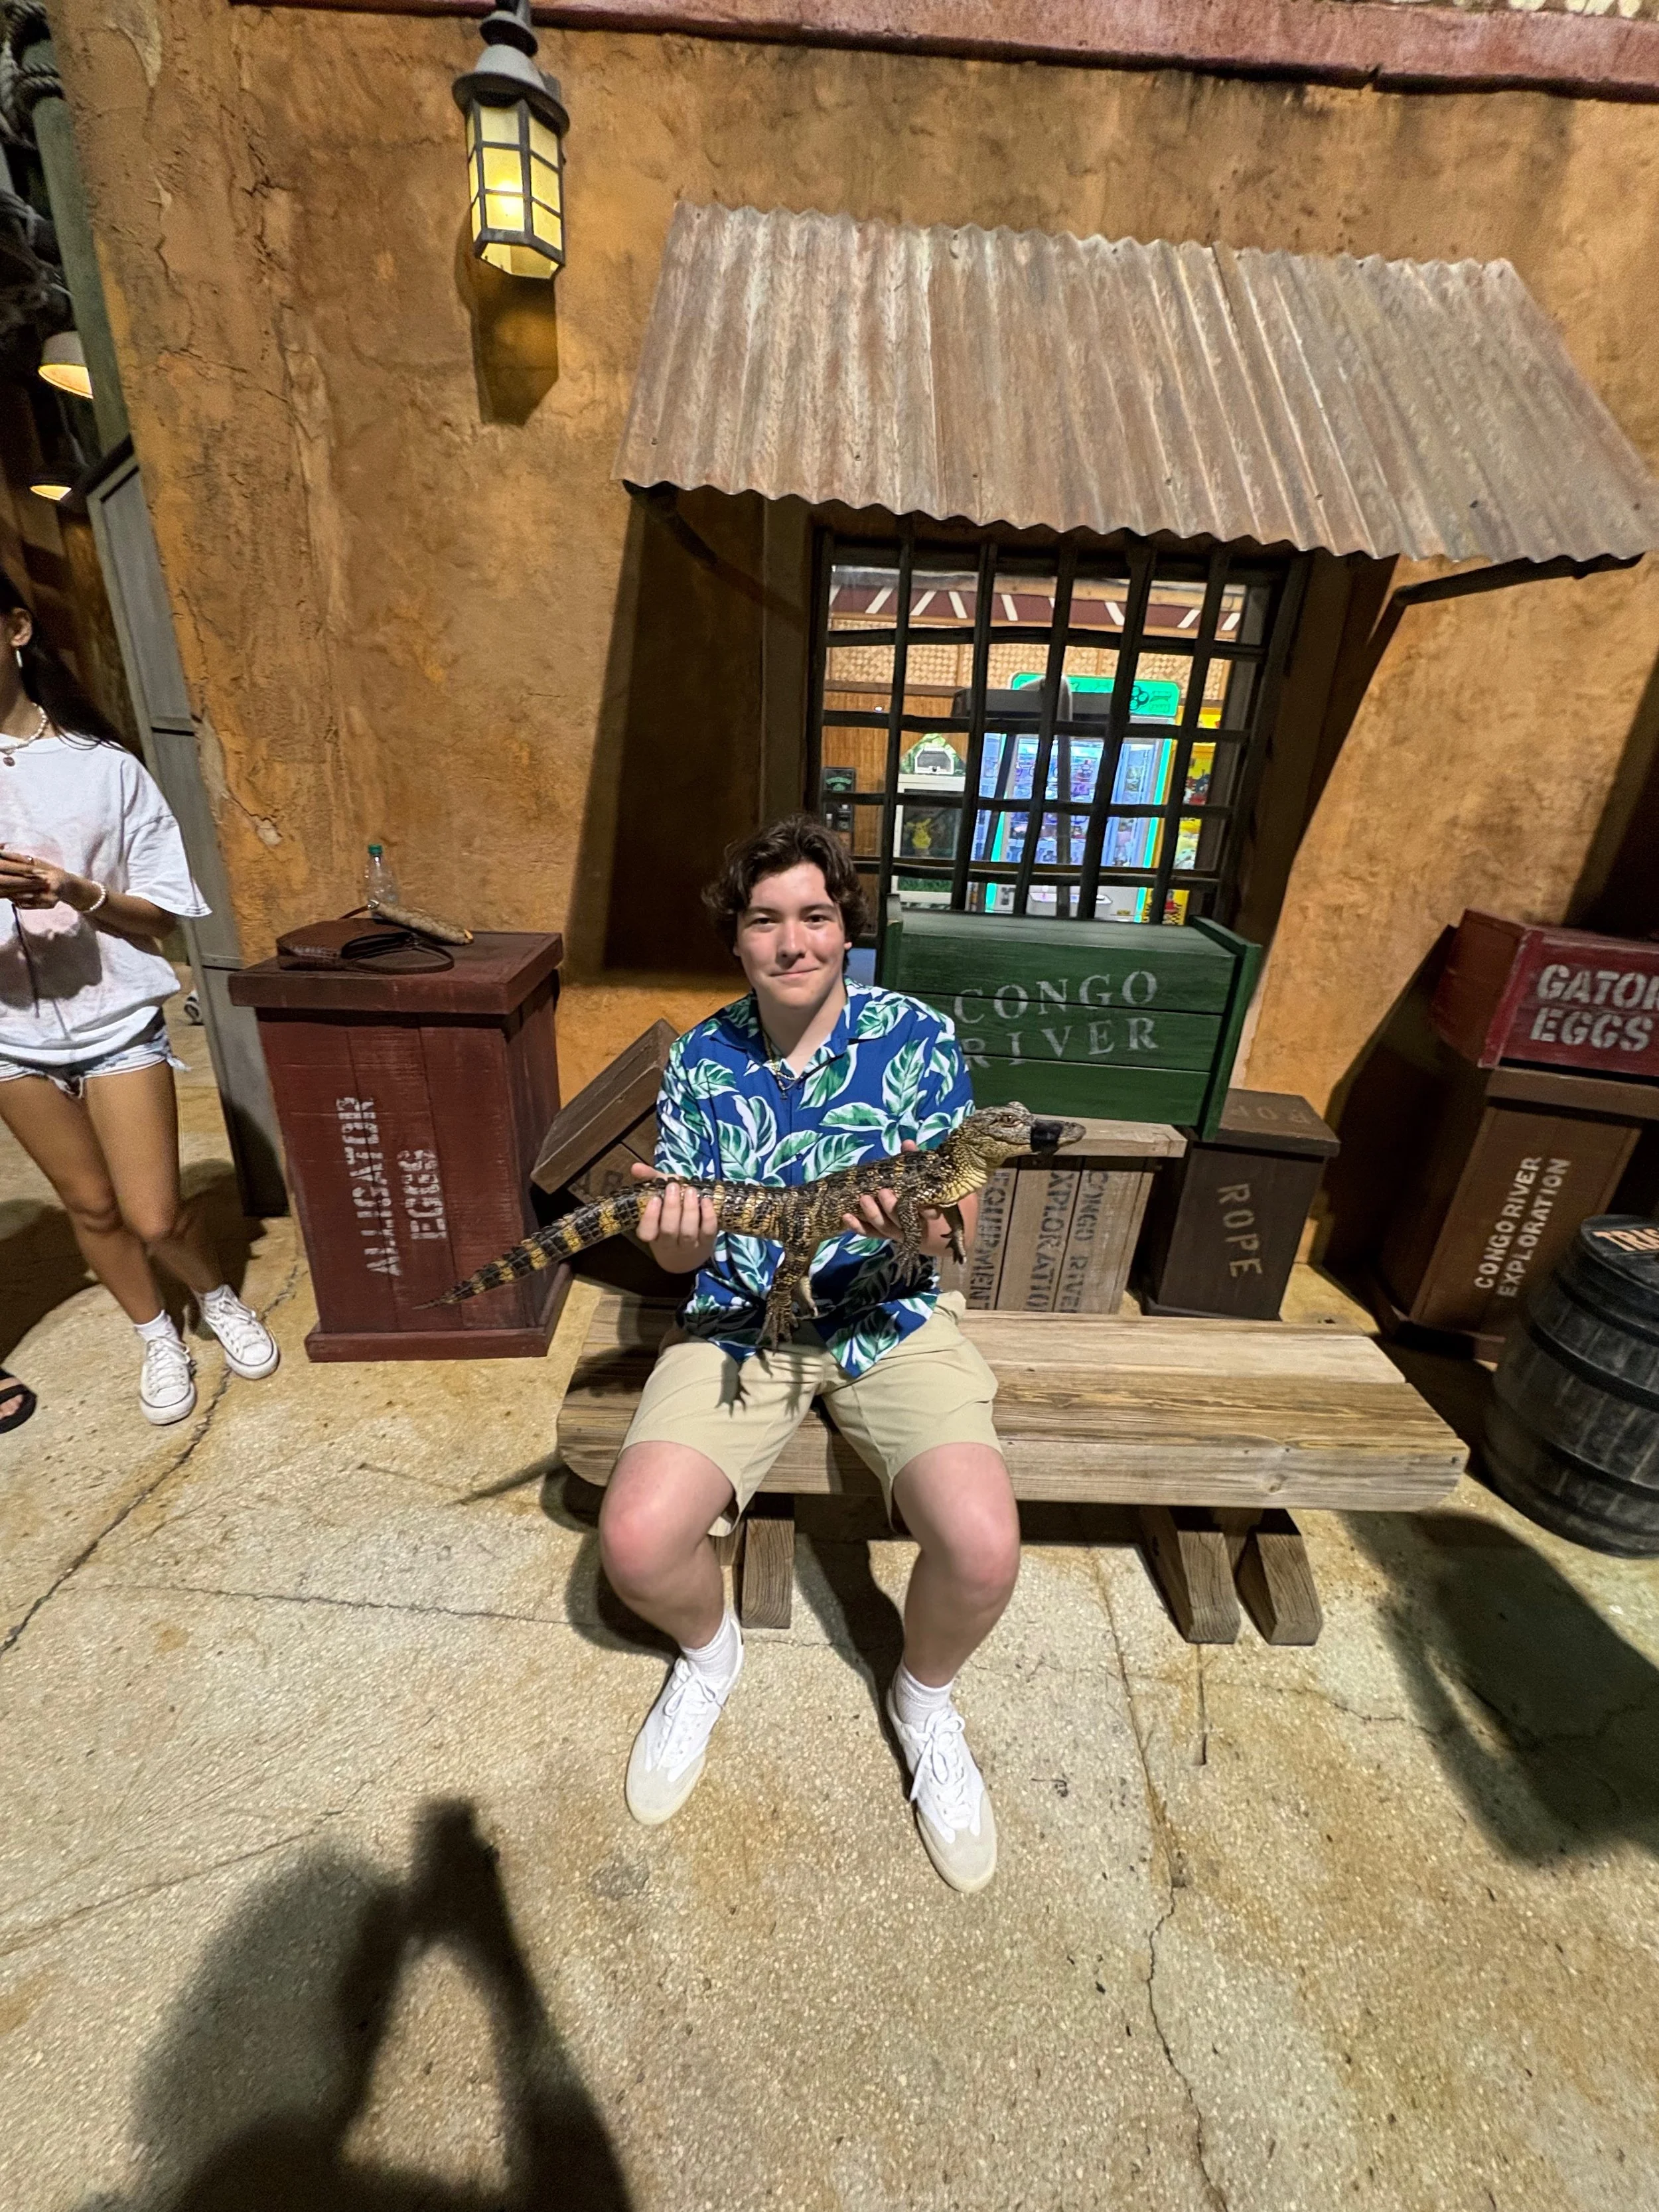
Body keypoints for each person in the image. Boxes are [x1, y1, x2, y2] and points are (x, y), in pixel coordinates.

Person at [598, 815, 1021, 1893]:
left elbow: (953, 1232)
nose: (794, 941)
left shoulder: (917, 1038)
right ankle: (708, 1653)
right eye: (766, 918)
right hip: (747, 1316)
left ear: (846, 931)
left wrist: (912, 1227)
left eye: (817, 916)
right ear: (737, 939)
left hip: (888, 1317)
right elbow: (685, 1245)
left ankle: (923, 1700)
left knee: (982, 1547)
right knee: (638, 1541)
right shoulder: (701, 1059)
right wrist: (678, 1224)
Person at [0, 579, 278, 1425]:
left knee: (154, 1212)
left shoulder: (104, 769)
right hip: (8, 1033)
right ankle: (156, 1332)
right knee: (88, 1204)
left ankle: (216, 1296)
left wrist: (74, 890)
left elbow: (161, 912)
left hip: (116, 1019)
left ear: (15, 628)